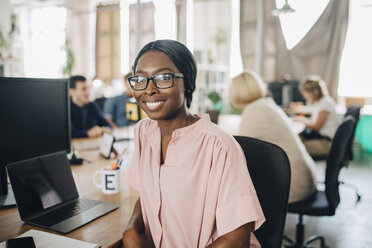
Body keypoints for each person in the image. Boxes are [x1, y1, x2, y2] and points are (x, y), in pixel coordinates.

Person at [122, 40, 265, 248]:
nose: (149, 89)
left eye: (163, 78)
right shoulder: (143, 132)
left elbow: (237, 239)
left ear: (187, 82)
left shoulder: (219, 145)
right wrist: (132, 229)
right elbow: (150, 192)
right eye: (140, 79)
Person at [229, 71, 317, 203]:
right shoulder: (266, 104)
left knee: (230, 187)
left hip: (293, 187)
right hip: (304, 181)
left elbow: (238, 154)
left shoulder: (254, 111)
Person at [294, 75, 339, 157]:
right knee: (296, 137)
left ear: (311, 92)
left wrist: (302, 120)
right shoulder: (319, 102)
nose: (303, 96)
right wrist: (303, 119)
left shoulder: (326, 103)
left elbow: (317, 126)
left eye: (304, 93)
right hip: (322, 138)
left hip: (327, 143)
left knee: (293, 146)